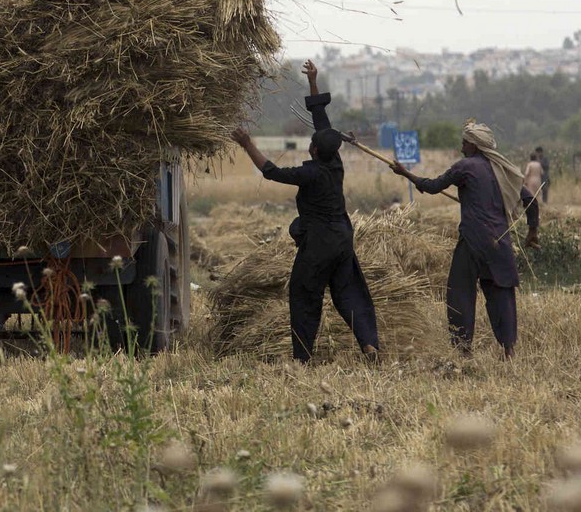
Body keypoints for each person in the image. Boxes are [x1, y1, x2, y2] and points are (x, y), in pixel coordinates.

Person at [231, 60, 380, 363]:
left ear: (313, 150)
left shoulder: (310, 174)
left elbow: (270, 171)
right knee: (351, 293)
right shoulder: (335, 163)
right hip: (342, 240)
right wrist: (313, 81)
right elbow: (321, 120)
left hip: (319, 246)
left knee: (304, 296)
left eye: (312, 143)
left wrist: (247, 144)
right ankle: (368, 345)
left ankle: (302, 357)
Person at [390, 121, 540, 359]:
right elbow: (531, 201)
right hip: (499, 242)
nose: (461, 148)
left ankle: (463, 349)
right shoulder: (503, 172)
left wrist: (405, 173)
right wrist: (532, 232)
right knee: (501, 293)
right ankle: (508, 348)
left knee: (460, 293)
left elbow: (432, 186)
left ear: (474, 145)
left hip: (472, 240)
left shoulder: (465, 167)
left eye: (464, 143)